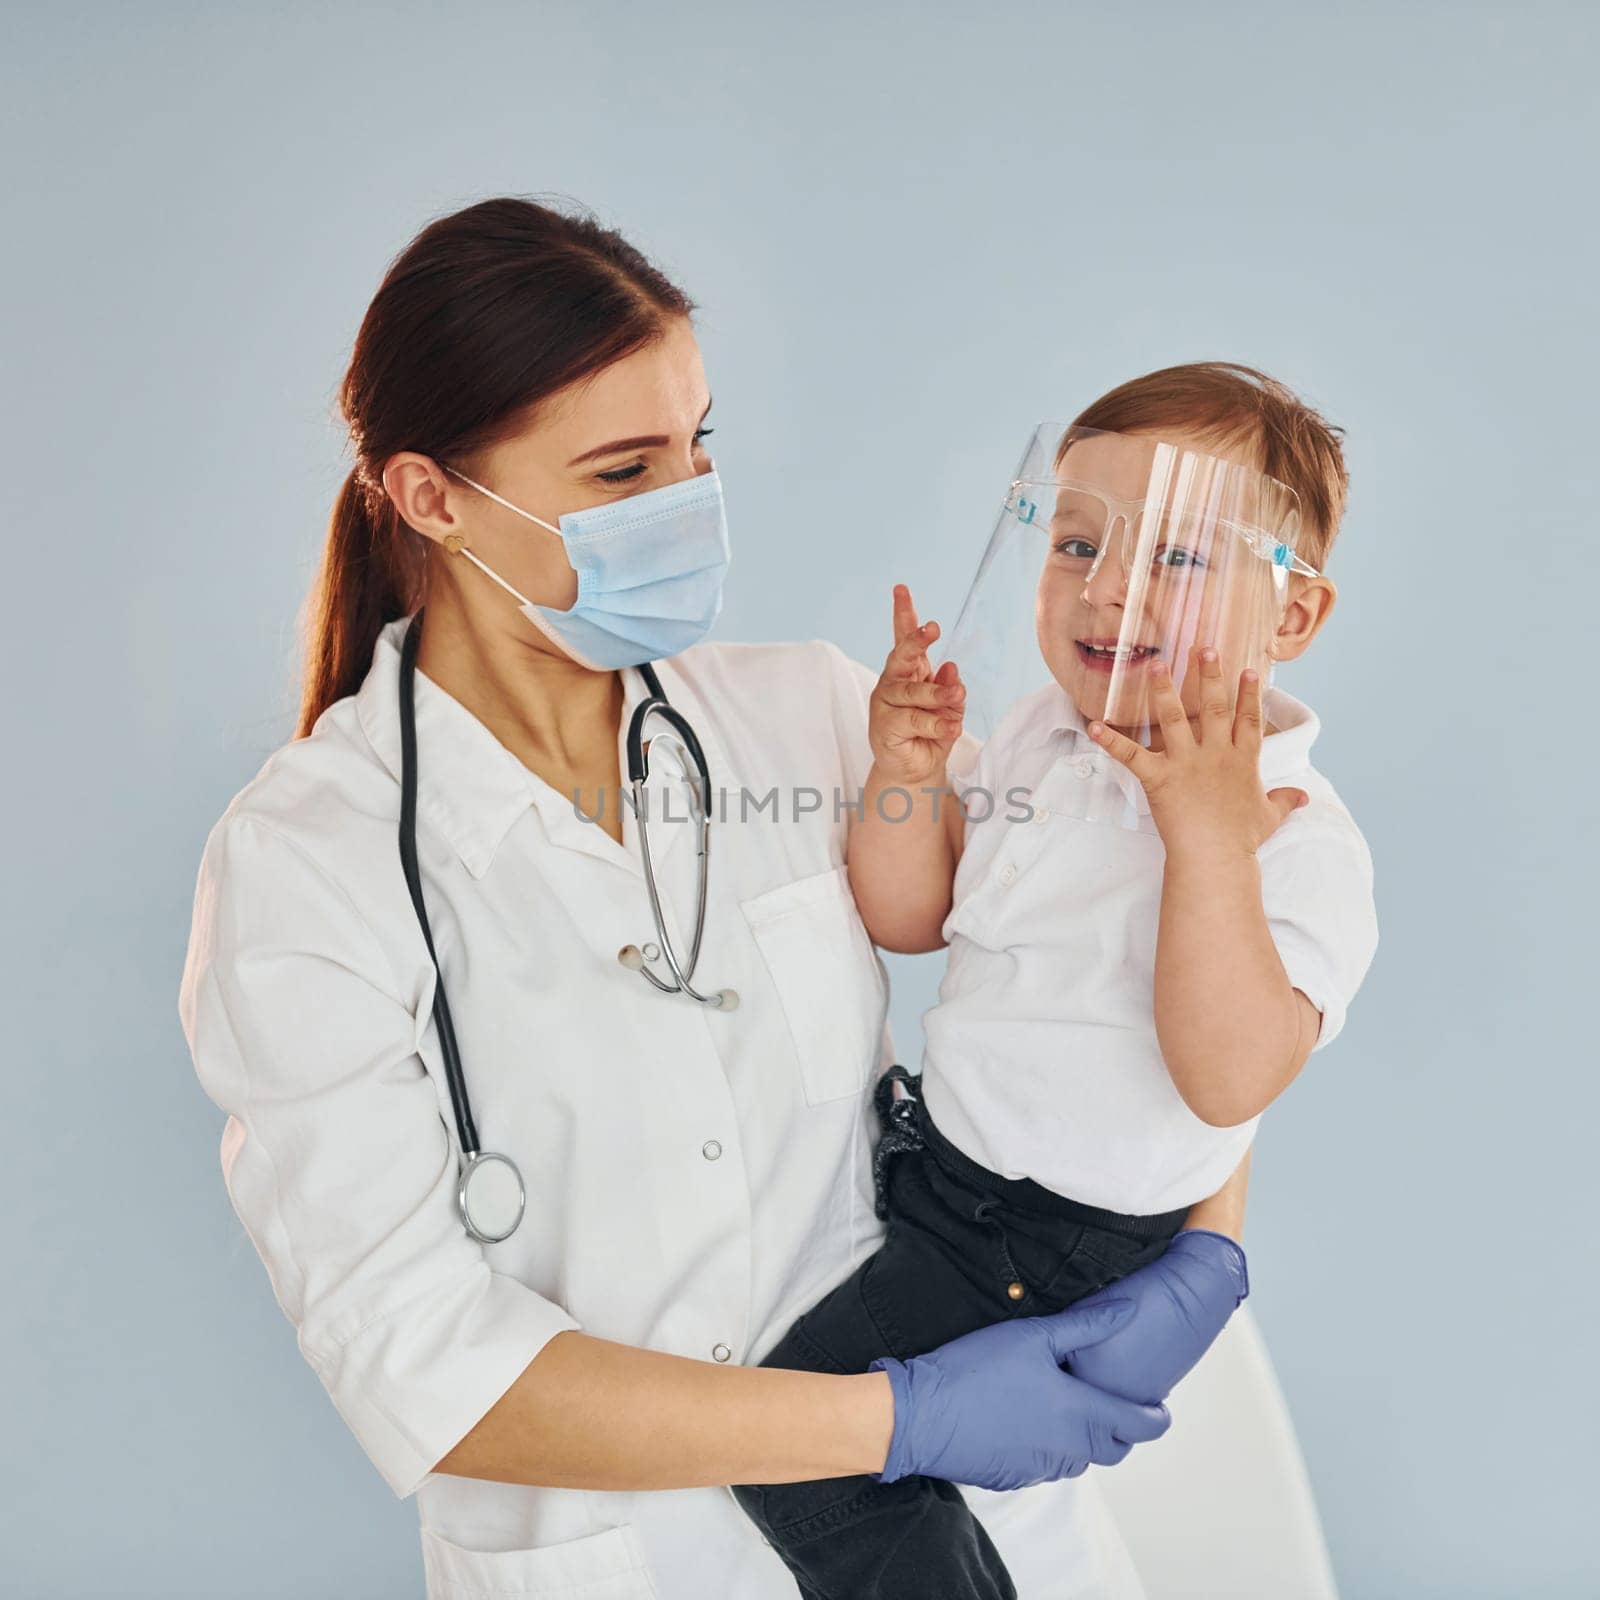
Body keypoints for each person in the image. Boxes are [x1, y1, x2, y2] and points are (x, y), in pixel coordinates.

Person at [177, 197, 1223, 1600]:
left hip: (977, 1537)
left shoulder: (808, 714)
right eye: (623, 470)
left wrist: (1204, 1236)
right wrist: (896, 1420)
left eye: (698, 445)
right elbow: (432, 1371)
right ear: (430, 496)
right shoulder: (308, 863)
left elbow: (1135, 921)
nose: (687, 503)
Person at [732, 365, 1380, 1599]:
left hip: (1055, 1238)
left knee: (797, 1441)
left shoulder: (1296, 836)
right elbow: (911, 916)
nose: (1109, 586)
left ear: (1290, 618)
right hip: (948, 1177)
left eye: (1179, 558)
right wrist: (906, 770)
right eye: (1075, 540)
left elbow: (1229, 1074)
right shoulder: (1042, 733)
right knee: (876, 1441)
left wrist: (1201, 835)